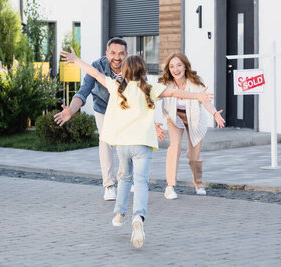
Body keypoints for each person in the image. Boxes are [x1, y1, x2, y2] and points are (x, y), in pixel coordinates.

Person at [60, 49, 213, 249]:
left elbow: (95, 73)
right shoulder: (151, 88)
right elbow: (176, 92)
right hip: (143, 145)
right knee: (141, 182)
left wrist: (76, 60)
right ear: (143, 72)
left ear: (123, 72)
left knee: (124, 178)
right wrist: (198, 96)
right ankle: (138, 217)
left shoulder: (116, 86)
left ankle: (119, 214)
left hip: (123, 145)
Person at [54, 37, 165, 201]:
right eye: (113, 53)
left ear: (126, 54)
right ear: (107, 53)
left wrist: (152, 124)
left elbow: (146, 97)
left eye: (121, 53)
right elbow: (83, 92)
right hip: (103, 109)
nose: (117, 57)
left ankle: (123, 179)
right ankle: (109, 185)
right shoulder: (98, 65)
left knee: (127, 143)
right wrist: (71, 110)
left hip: (125, 110)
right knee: (105, 141)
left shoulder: (133, 67)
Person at [159, 52, 225, 200]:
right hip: (174, 116)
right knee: (174, 148)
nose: (175, 69)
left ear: (185, 66)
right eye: (172, 66)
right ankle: (170, 186)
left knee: (194, 156)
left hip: (194, 118)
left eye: (178, 65)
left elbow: (205, 100)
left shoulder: (194, 83)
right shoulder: (166, 83)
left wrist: (215, 114)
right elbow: (151, 99)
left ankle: (198, 183)